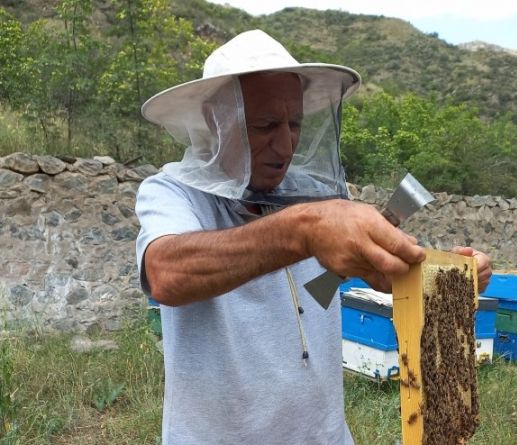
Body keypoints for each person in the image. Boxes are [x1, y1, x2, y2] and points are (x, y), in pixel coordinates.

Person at [135, 29, 492, 445]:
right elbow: (166, 273)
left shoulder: (311, 196)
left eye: (295, 124)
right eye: (266, 125)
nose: (285, 144)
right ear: (218, 120)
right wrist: (303, 231)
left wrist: (443, 272)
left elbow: (329, 286)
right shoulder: (173, 193)